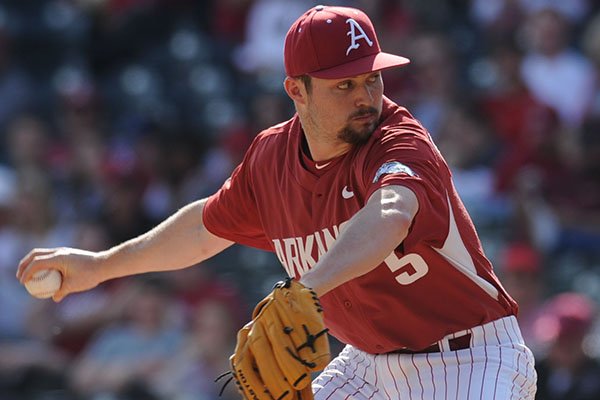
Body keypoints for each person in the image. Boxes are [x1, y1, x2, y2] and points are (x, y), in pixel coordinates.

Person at [17, 5, 537, 399]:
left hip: (469, 361)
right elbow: (206, 227)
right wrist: (103, 265)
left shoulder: (399, 140)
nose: (366, 96)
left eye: (373, 78)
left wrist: (304, 290)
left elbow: (391, 214)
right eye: (345, 84)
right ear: (297, 90)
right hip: (369, 366)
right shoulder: (271, 158)